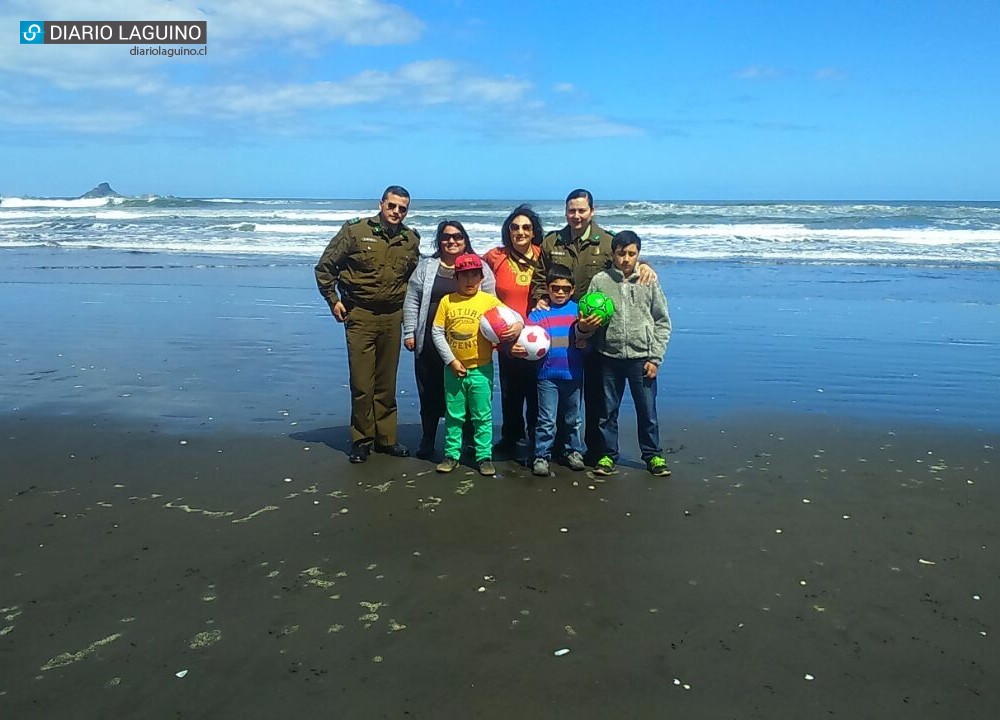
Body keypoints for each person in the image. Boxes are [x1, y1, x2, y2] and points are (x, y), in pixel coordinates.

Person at [533, 188, 657, 464]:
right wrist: (540, 298)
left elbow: (627, 263)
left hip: (598, 331)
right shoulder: (552, 241)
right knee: (559, 386)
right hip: (559, 327)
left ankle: (593, 449)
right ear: (565, 212)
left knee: (596, 394)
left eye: (581, 210)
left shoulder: (608, 242)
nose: (576, 216)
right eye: (571, 210)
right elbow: (540, 277)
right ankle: (554, 446)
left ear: (592, 211)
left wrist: (646, 266)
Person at [314, 185, 419, 463]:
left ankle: (386, 439)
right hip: (359, 314)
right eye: (392, 206)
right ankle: (362, 439)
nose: (397, 212)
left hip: (392, 316)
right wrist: (332, 300)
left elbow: (414, 280)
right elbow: (325, 267)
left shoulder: (410, 239)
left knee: (386, 382)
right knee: (362, 383)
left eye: (402, 208)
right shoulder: (355, 231)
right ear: (381, 204)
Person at [403, 220, 497, 460]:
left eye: (457, 237)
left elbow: (492, 305)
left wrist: (495, 337)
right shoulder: (427, 266)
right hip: (430, 341)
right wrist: (410, 332)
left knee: (468, 395)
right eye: (446, 237)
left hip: (470, 344)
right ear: (439, 240)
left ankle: (469, 442)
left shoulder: (481, 267)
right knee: (430, 391)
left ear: (465, 239)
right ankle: (428, 438)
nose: (451, 241)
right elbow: (412, 299)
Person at [585, 230, 672, 477]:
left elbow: (662, 321)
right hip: (608, 357)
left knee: (647, 411)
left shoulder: (648, 280)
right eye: (621, 253)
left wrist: (655, 357)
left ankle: (653, 455)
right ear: (613, 254)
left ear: (638, 255)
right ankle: (607, 455)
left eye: (631, 254)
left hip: (641, 358)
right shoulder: (601, 281)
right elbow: (589, 315)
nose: (626, 259)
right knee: (607, 411)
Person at [431, 253, 522, 476]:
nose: (470, 280)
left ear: (482, 278)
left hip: (481, 369)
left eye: (475, 275)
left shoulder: (489, 301)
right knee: (454, 415)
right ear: (456, 278)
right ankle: (452, 454)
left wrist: (518, 326)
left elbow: (514, 317)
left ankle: (484, 456)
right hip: (454, 370)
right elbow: (437, 331)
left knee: (482, 415)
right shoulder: (447, 301)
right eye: (464, 276)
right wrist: (451, 360)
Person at [514, 264, 589, 477]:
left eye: (566, 289)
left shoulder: (578, 311)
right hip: (546, 377)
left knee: (572, 419)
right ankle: (541, 455)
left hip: (573, 374)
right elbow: (527, 342)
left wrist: (585, 344)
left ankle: (573, 451)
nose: (560, 293)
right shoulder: (538, 315)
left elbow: (587, 340)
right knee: (546, 420)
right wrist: (519, 349)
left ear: (573, 290)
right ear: (547, 288)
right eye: (555, 288)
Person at [482, 204, 543, 458]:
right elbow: (468, 268)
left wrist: (644, 264)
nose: (520, 232)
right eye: (515, 227)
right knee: (510, 391)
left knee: (537, 391)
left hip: (539, 337)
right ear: (508, 230)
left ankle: (536, 438)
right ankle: (510, 437)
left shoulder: (544, 254)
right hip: (506, 337)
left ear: (534, 231)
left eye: (526, 227)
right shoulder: (496, 256)